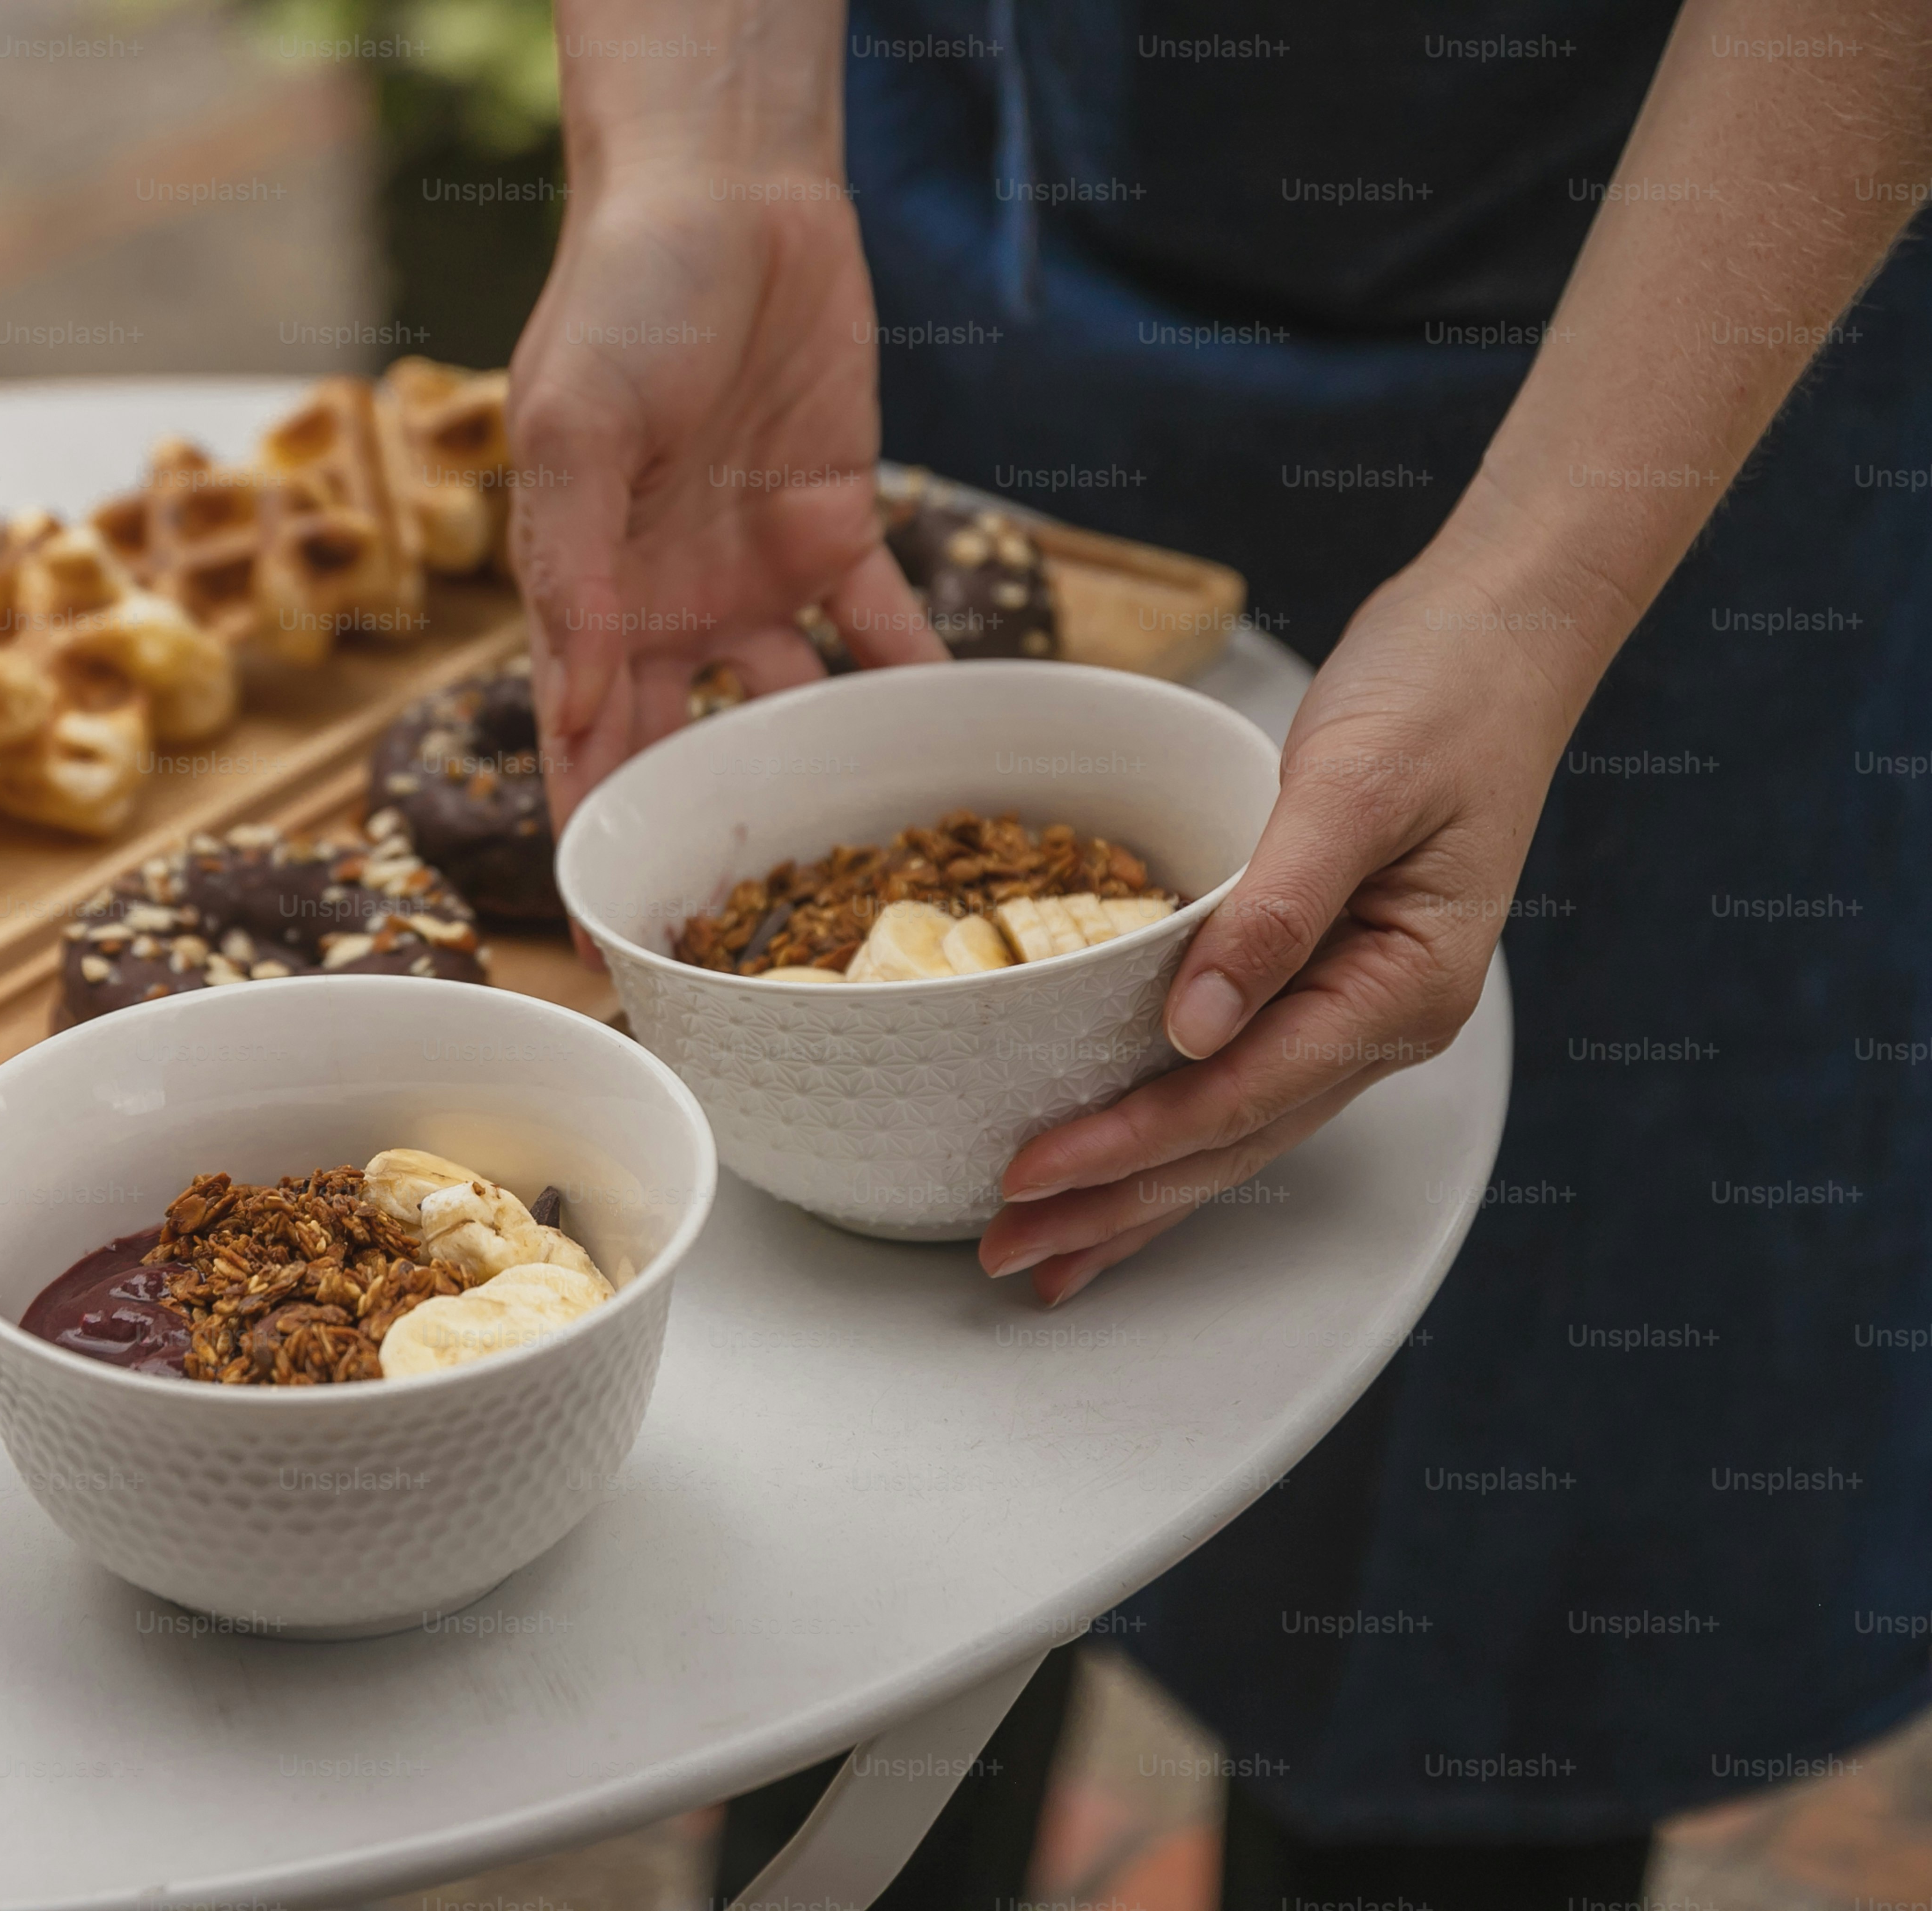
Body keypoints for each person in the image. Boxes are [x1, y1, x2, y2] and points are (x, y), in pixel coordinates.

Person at [505, 2, 1932, 1905]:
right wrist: (710, 156)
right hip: (957, 220)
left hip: (1678, 322)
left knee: (1476, 1578)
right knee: (888, 1516)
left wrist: (1536, 598)